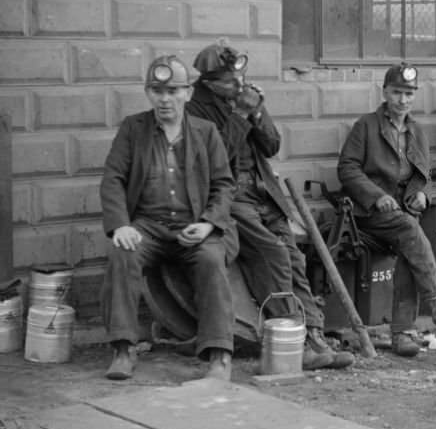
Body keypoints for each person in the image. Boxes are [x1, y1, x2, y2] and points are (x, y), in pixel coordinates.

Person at [187, 41, 352, 370]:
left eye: (241, 78)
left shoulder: (243, 97)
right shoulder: (195, 112)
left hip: (265, 194)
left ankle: (314, 334)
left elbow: (272, 144)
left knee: (293, 257)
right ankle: (292, 338)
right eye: (230, 81)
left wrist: (258, 111)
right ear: (209, 83)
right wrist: (242, 113)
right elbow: (216, 160)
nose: (239, 85)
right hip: (229, 198)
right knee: (271, 253)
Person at [100, 56, 235, 381]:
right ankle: (122, 349)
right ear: (148, 93)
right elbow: (113, 178)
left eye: (173, 91)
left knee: (212, 261)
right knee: (123, 255)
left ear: (188, 93)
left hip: (194, 226)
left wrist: (207, 224)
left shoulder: (206, 132)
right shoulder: (134, 129)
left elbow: (224, 185)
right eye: (157, 91)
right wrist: (120, 224)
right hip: (148, 227)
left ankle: (218, 356)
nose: (165, 99)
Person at [337, 64, 436, 357]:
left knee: (411, 242)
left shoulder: (416, 131)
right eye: (397, 92)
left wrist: (423, 194)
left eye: (408, 94)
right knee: (411, 231)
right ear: (384, 92)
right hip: (368, 214)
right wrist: (376, 196)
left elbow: (424, 175)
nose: (402, 100)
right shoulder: (366, 126)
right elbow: (347, 168)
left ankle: (403, 334)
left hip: (403, 214)